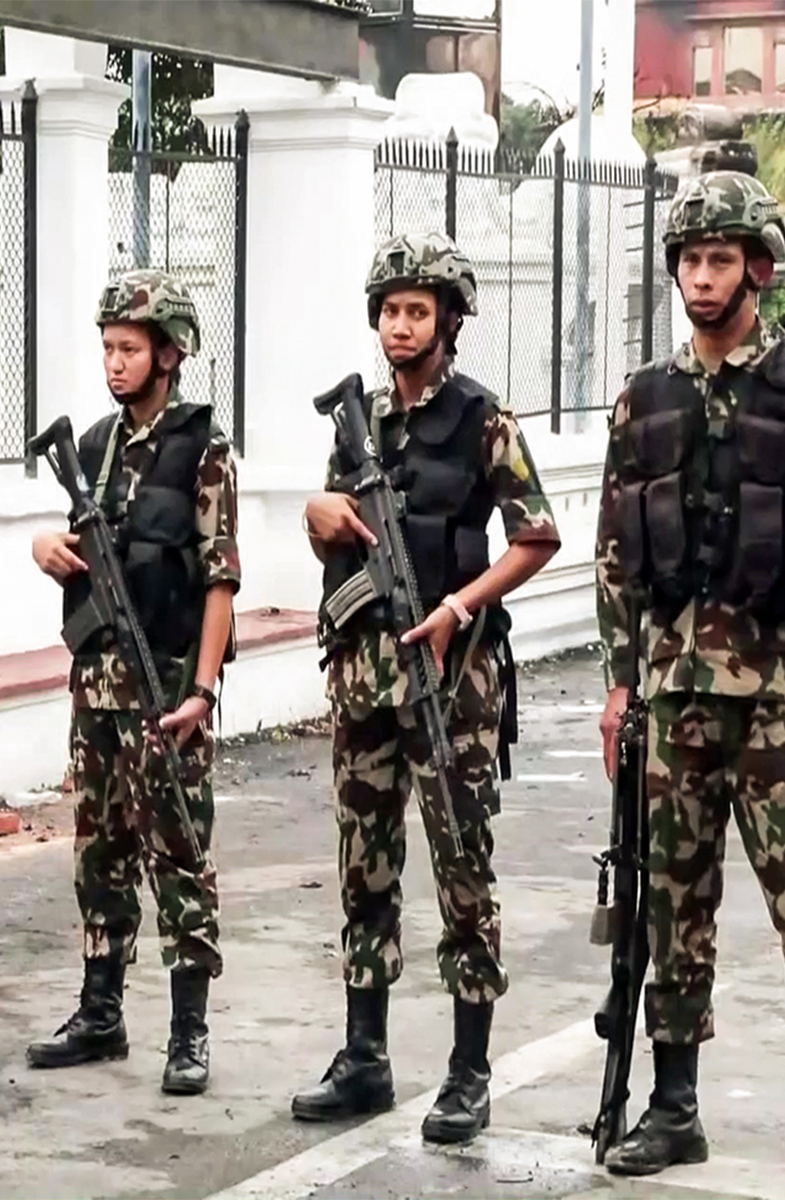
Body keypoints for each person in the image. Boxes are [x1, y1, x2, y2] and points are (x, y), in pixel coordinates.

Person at [594, 170, 785, 1199]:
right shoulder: (644, 396)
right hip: (672, 693)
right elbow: (615, 554)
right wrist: (620, 685)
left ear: (757, 268)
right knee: (671, 906)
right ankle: (674, 1109)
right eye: (690, 260)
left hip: (782, 692)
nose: (702, 278)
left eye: (720, 259)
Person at [295, 232, 560, 1144]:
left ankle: (468, 1071)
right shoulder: (359, 422)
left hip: (453, 682)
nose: (400, 327)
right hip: (363, 681)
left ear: (450, 321)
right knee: (363, 868)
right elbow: (331, 539)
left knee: (461, 870)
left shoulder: (485, 420)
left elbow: (537, 535)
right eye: (390, 311)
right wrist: (319, 513)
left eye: (417, 311)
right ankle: (363, 1057)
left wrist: (457, 605)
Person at [25, 269, 239, 1096]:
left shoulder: (203, 450)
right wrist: (46, 550)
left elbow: (220, 578)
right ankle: (100, 1012)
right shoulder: (93, 449)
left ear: (169, 354)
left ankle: (189, 1032)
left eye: (129, 349)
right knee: (99, 852)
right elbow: (77, 549)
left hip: (168, 687)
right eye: (108, 348)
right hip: (97, 687)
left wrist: (203, 691)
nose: (115, 363)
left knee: (179, 852)